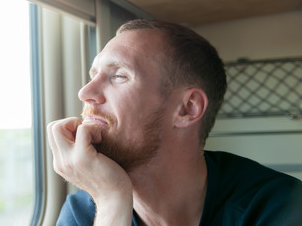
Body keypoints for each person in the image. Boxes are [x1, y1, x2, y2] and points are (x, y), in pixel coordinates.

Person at [47, 19, 302, 226]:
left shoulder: (280, 206)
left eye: (119, 76)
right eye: (93, 75)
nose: (85, 92)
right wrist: (111, 202)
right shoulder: (83, 212)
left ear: (187, 109)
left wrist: (111, 202)